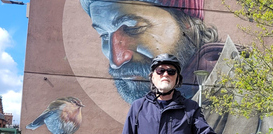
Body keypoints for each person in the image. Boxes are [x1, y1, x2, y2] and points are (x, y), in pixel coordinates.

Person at [79, 0, 221, 102]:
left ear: (186, 23)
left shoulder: (237, 95)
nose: (116, 60)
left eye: (133, 29)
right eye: (103, 35)